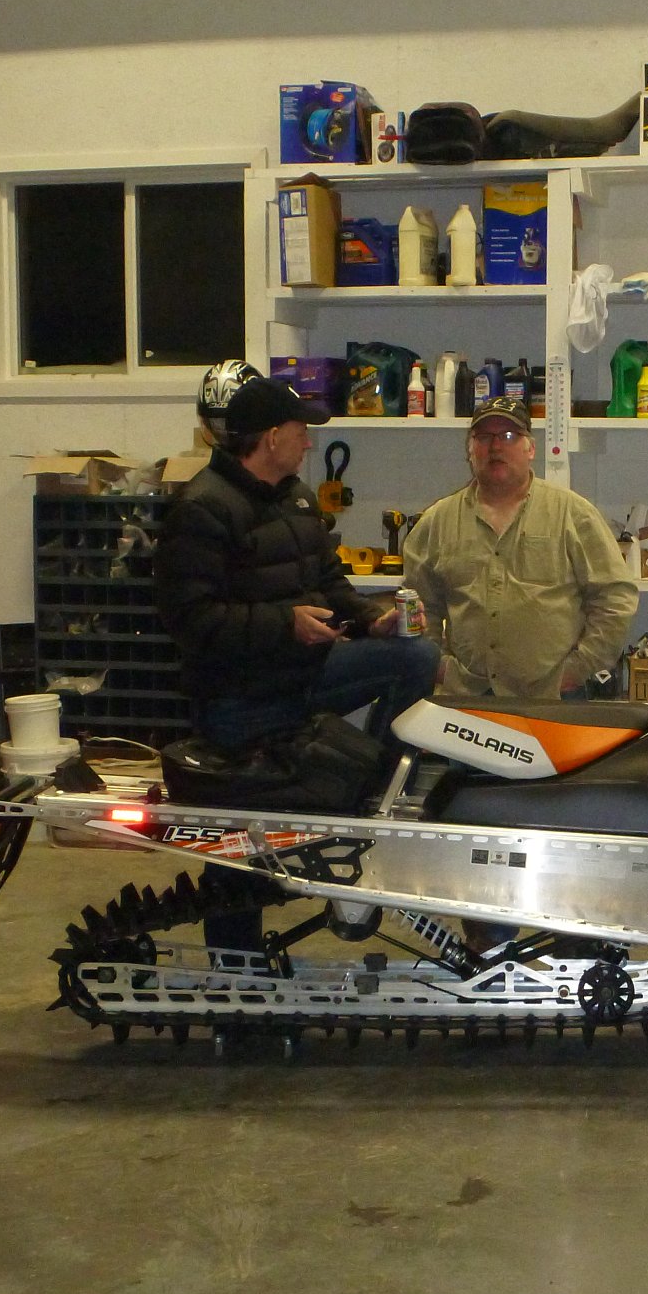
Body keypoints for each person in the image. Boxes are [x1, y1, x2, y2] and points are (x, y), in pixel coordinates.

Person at [156, 363, 439, 953]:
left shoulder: (298, 499)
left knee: (413, 655)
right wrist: (285, 624)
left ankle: (375, 798)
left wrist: (370, 619)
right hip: (239, 693)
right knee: (244, 837)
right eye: (300, 430)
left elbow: (330, 584)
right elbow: (191, 620)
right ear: (270, 437)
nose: (309, 442)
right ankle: (236, 967)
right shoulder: (201, 509)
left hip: (303, 673)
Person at [401, 396, 638, 698]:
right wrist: (437, 664)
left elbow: (616, 597)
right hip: (467, 694)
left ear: (531, 449)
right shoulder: (437, 521)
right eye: (484, 437)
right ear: (469, 450)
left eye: (509, 436)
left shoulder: (573, 514)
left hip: (553, 696)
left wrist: (579, 668)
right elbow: (419, 603)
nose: (496, 447)